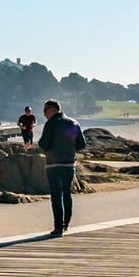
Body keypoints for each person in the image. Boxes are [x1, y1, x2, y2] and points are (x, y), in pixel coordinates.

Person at [38, 99, 86, 236]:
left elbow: (43, 143)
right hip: (69, 164)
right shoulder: (72, 123)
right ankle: (66, 224)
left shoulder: (51, 124)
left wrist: (49, 149)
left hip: (53, 164)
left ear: (54, 109)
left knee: (56, 196)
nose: (44, 113)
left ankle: (58, 227)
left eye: (46, 110)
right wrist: (70, 149)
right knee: (67, 194)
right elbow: (81, 144)